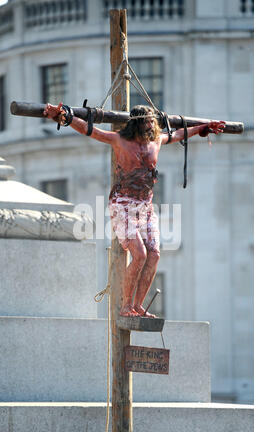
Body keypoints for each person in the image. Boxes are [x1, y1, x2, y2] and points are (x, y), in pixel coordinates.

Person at [43, 102, 225, 318]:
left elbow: (177, 135)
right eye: (146, 123)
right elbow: (90, 130)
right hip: (123, 204)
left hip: (145, 207)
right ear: (136, 125)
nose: (150, 127)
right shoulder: (120, 140)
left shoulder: (156, 140)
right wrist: (65, 116)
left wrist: (202, 127)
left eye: (152, 123)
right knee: (139, 254)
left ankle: (138, 305)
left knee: (154, 254)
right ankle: (126, 305)